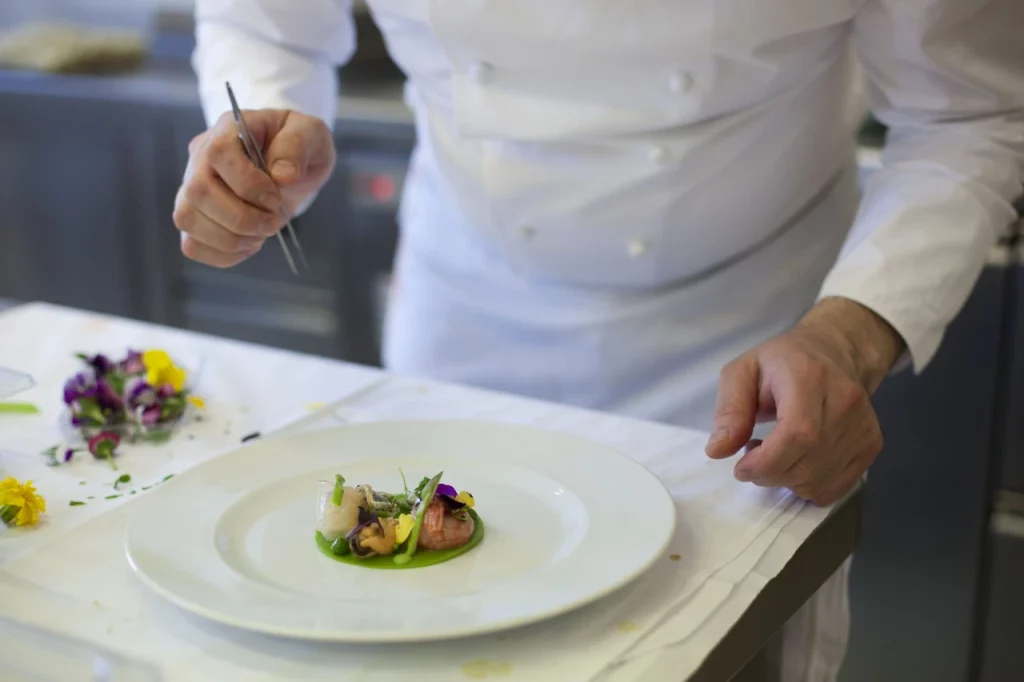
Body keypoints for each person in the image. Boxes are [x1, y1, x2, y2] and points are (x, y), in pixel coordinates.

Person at [176, 1, 1024, 679]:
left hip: (747, 357)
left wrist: (849, 333)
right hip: (466, 327)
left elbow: (971, 112)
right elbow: (260, 22)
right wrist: (265, 119)